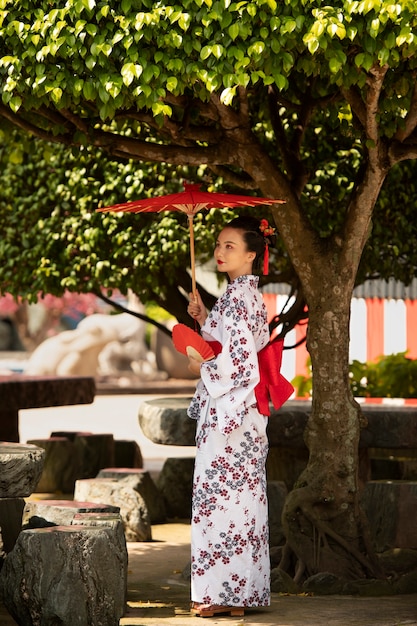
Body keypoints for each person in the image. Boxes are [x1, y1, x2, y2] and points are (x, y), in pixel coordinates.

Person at [186, 215, 275, 618]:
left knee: (224, 503)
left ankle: (227, 595)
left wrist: (199, 365)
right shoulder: (241, 296)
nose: (220, 252)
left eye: (230, 246)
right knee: (236, 502)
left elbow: (238, 366)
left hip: (231, 419)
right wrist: (205, 319)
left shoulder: (240, 298)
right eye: (219, 245)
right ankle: (234, 593)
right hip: (239, 415)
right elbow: (230, 346)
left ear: (252, 255)